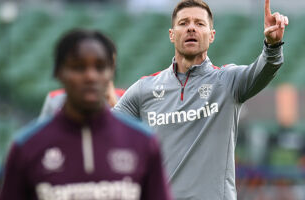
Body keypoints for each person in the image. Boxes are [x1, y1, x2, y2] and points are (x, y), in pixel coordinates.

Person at [113, 0, 289, 199]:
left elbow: (263, 70)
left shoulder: (228, 81)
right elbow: (105, 126)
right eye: (183, 23)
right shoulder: (145, 89)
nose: (191, 28)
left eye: (199, 23)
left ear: (211, 35)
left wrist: (272, 46)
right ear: (172, 34)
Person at [0, 29, 172, 200]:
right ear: (59, 72)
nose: (90, 76)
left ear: (111, 73)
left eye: (100, 67)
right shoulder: (26, 147)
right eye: (78, 67)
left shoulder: (142, 142)